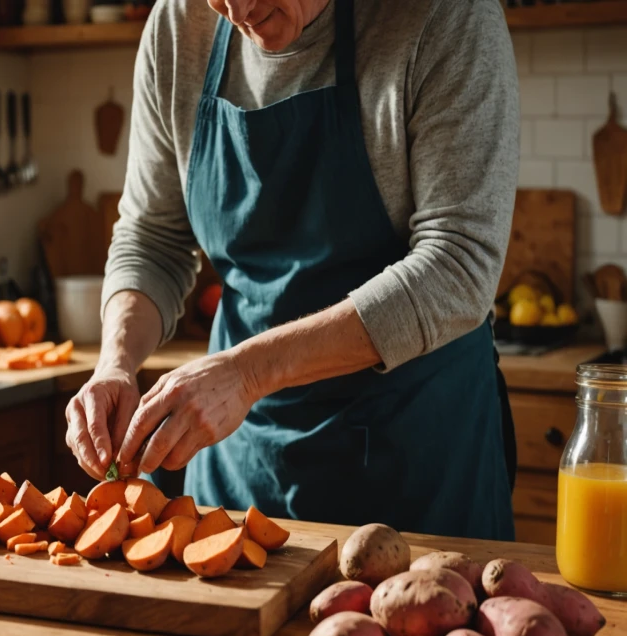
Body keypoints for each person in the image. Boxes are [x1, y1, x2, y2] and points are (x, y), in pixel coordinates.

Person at [64, 0, 520, 540]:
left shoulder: (448, 16)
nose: (239, 9)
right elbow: (153, 236)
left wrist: (248, 372)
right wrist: (116, 361)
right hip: (239, 463)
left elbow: (458, 267)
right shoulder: (177, 25)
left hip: (415, 464)